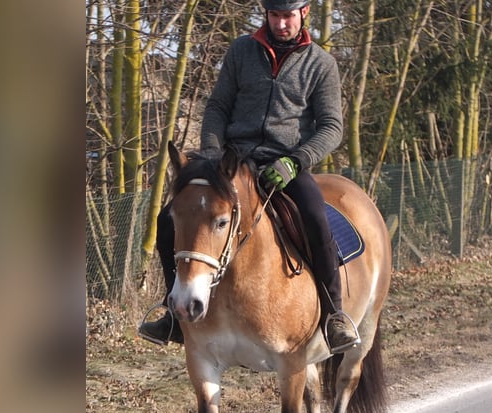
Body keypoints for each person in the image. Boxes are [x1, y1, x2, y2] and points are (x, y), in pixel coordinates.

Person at [139, 0, 359, 352]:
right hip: (231, 161)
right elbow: (218, 106)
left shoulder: (321, 63)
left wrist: (296, 161)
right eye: (274, 15)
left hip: (285, 164)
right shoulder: (242, 50)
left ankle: (334, 315)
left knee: (317, 219)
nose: (281, 23)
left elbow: (331, 127)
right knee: (170, 219)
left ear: (303, 13)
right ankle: (171, 314)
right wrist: (211, 153)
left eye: (288, 16)